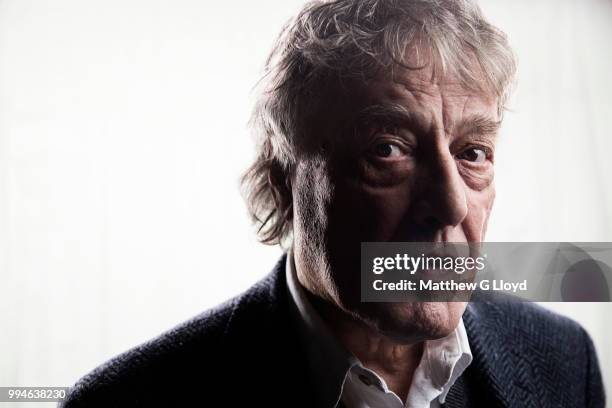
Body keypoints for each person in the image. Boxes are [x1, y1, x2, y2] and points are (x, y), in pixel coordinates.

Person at [61, 0, 605, 407]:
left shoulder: (563, 361)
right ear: (281, 184)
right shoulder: (126, 400)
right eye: (387, 149)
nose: (449, 202)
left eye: (473, 152)